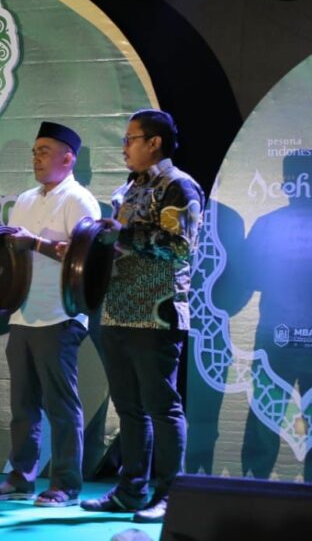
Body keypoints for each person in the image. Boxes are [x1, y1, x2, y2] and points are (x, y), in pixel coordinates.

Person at [78, 109, 204, 523]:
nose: (125, 148)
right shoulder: (128, 189)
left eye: (130, 139)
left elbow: (180, 246)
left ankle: (170, 496)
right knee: (129, 408)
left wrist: (124, 235)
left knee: (162, 408)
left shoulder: (178, 185)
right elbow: (118, 246)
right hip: (118, 310)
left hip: (157, 313)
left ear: (155, 142)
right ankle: (131, 490)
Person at [0, 121, 100, 506]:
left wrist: (36, 244)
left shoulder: (79, 200)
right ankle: (21, 477)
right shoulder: (25, 200)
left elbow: (84, 259)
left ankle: (66, 483)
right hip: (22, 314)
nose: (36, 158)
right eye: (34, 152)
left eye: (44, 151)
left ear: (68, 158)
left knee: (61, 406)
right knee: (22, 406)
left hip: (59, 315)